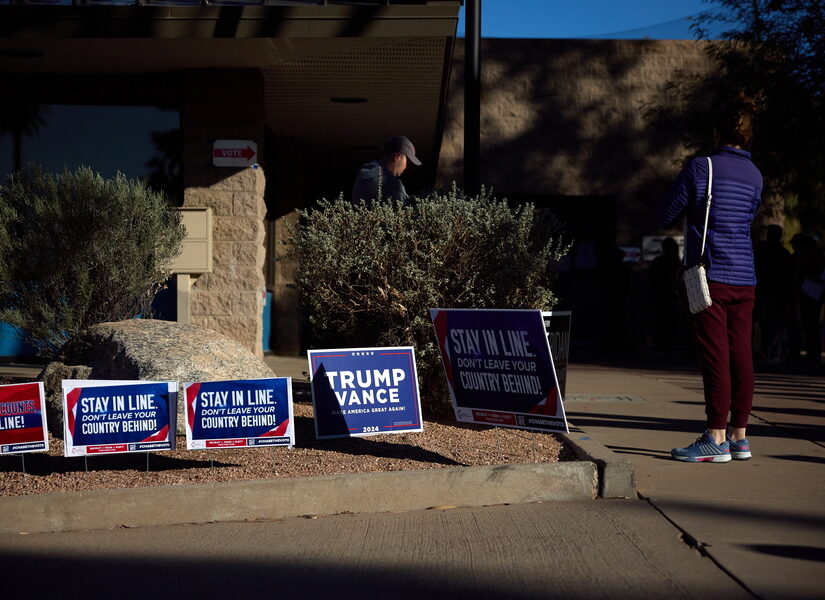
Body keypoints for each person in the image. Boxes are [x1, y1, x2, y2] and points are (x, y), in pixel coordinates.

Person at [659, 93, 763, 463]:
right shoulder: (755, 174)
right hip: (745, 275)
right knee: (742, 355)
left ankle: (715, 438)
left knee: (715, 355)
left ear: (717, 131)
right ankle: (740, 437)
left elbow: (668, 212)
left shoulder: (702, 167)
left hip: (710, 274)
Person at [754, 224, 793, 364]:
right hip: (773, 293)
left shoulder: (766, 253)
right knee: (771, 324)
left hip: (771, 293)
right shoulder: (781, 254)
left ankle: (772, 351)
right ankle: (770, 351)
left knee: (771, 325)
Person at [351, 136, 421, 204]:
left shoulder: (363, 174)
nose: (407, 168)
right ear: (397, 157)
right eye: (408, 162)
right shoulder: (394, 186)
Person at [649, 237, 683, 353]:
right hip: (665, 295)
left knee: (664, 320)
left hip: (665, 295)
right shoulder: (672, 261)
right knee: (666, 320)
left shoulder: (665, 261)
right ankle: (665, 343)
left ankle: (664, 343)